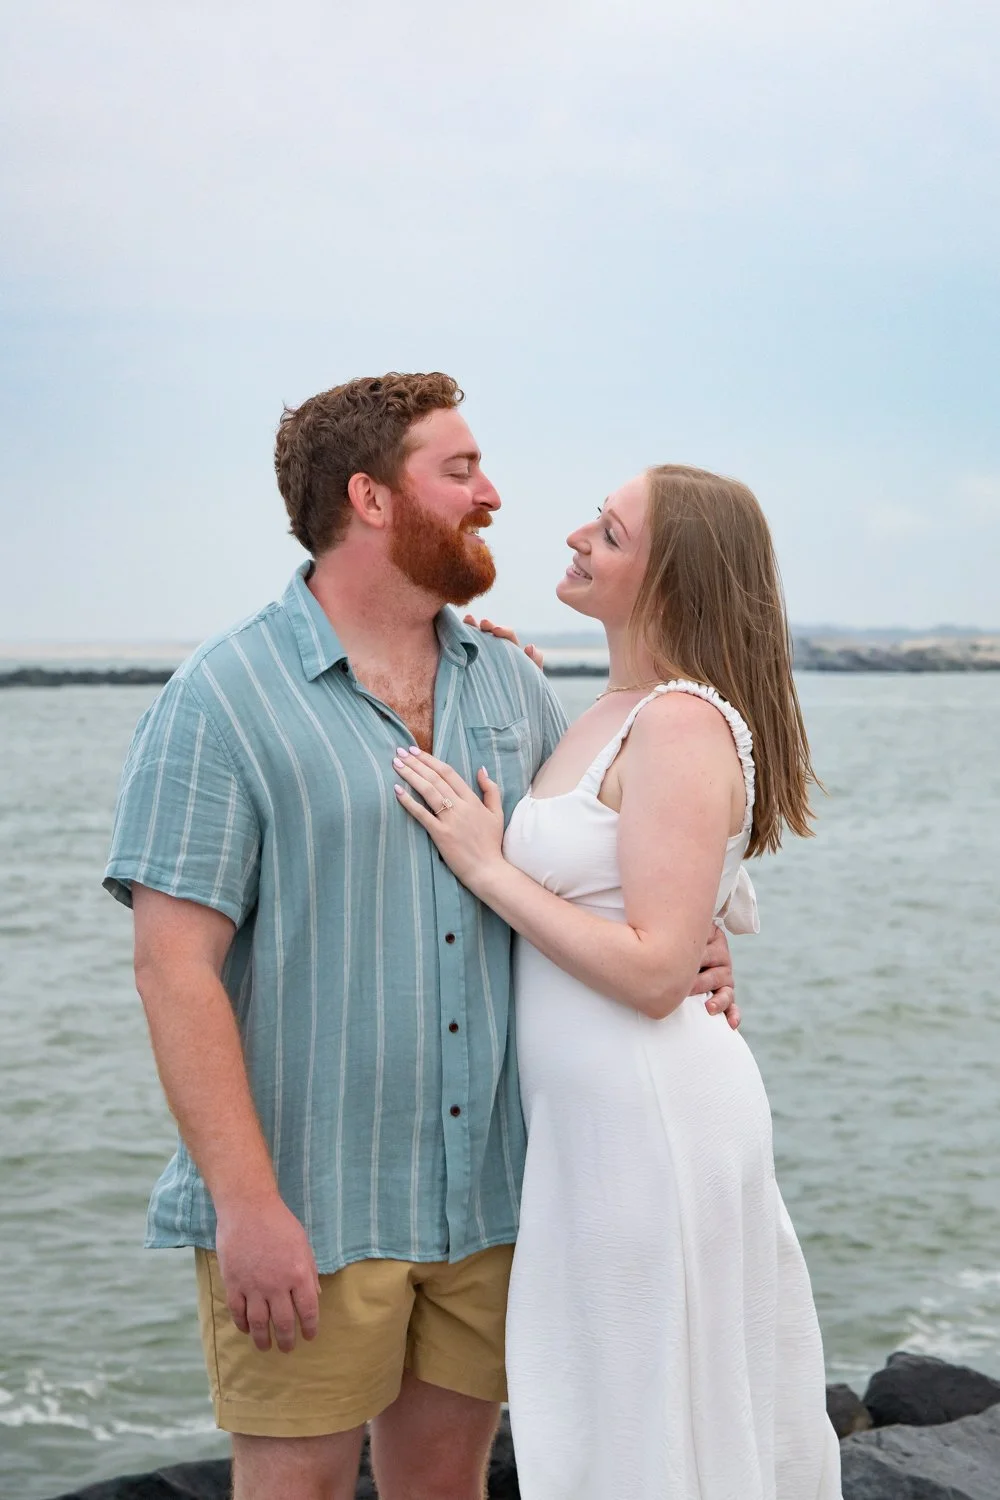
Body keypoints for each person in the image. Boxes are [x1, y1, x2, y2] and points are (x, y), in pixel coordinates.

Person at [102, 376, 741, 1500]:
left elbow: (595, 865)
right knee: (292, 1487)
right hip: (315, 1201)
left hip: (496, 1197)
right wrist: (247, 1208)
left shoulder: (510, 683)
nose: (492, 494)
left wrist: (696, 949)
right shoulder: (221, 698)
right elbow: (173, 969)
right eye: (459, 472)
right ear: (371, 498)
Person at [392, 465, 844, 1499]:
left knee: (646, 1421)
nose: (576, 537)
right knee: (609, 1413)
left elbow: (649, 972)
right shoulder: (608, 713)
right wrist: (485, 668)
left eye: (608, 531)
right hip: (596, 1126)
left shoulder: (679, 723)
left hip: (649, 1123)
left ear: (670, 575)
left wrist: (486, 864)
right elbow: (648, 888)